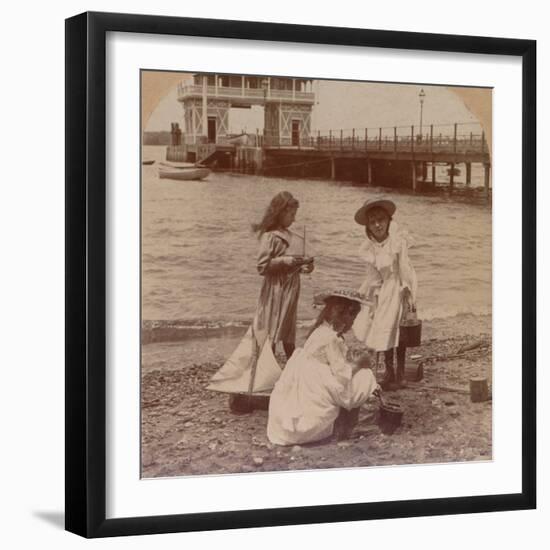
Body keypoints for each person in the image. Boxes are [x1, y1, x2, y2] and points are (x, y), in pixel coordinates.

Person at [207, 191, 314, 409]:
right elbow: (262, 267)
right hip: (275, 292)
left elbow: (294, 265)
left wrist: (305, 266)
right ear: (281, 212)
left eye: (295, 213)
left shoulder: (290, 235)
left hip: (291, 290)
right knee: (272, 335)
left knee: (288, 333)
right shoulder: (271, 236)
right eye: (291, 213)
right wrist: (287, 260)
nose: (294, 218)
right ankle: (265, 382)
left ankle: (293, 378)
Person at [267, 290, 380, 445]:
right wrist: (360, 364)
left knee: (358, 375)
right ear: (344, 315)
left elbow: (331, 362)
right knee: (366, 376)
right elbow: (342, 374)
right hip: (320, 385)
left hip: (309, 382)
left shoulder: (319, 331)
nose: (353, 323)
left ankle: (350, 420)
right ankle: (352, 424)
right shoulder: (331, 339)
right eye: (352, 317)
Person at [352, 198, 417, 391]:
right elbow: (373, 275)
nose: (378, 225)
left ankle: (401, 372)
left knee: (401, 329)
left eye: (381, 220)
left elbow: (404, 265)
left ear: (389, 220)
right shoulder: (369, 247)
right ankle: (389, 371)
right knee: (384, 328)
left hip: (399, 285)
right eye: (373, 222)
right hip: (383, 288)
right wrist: (372, 294)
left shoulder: (396, 241)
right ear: (368, 226)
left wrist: (406, 288)